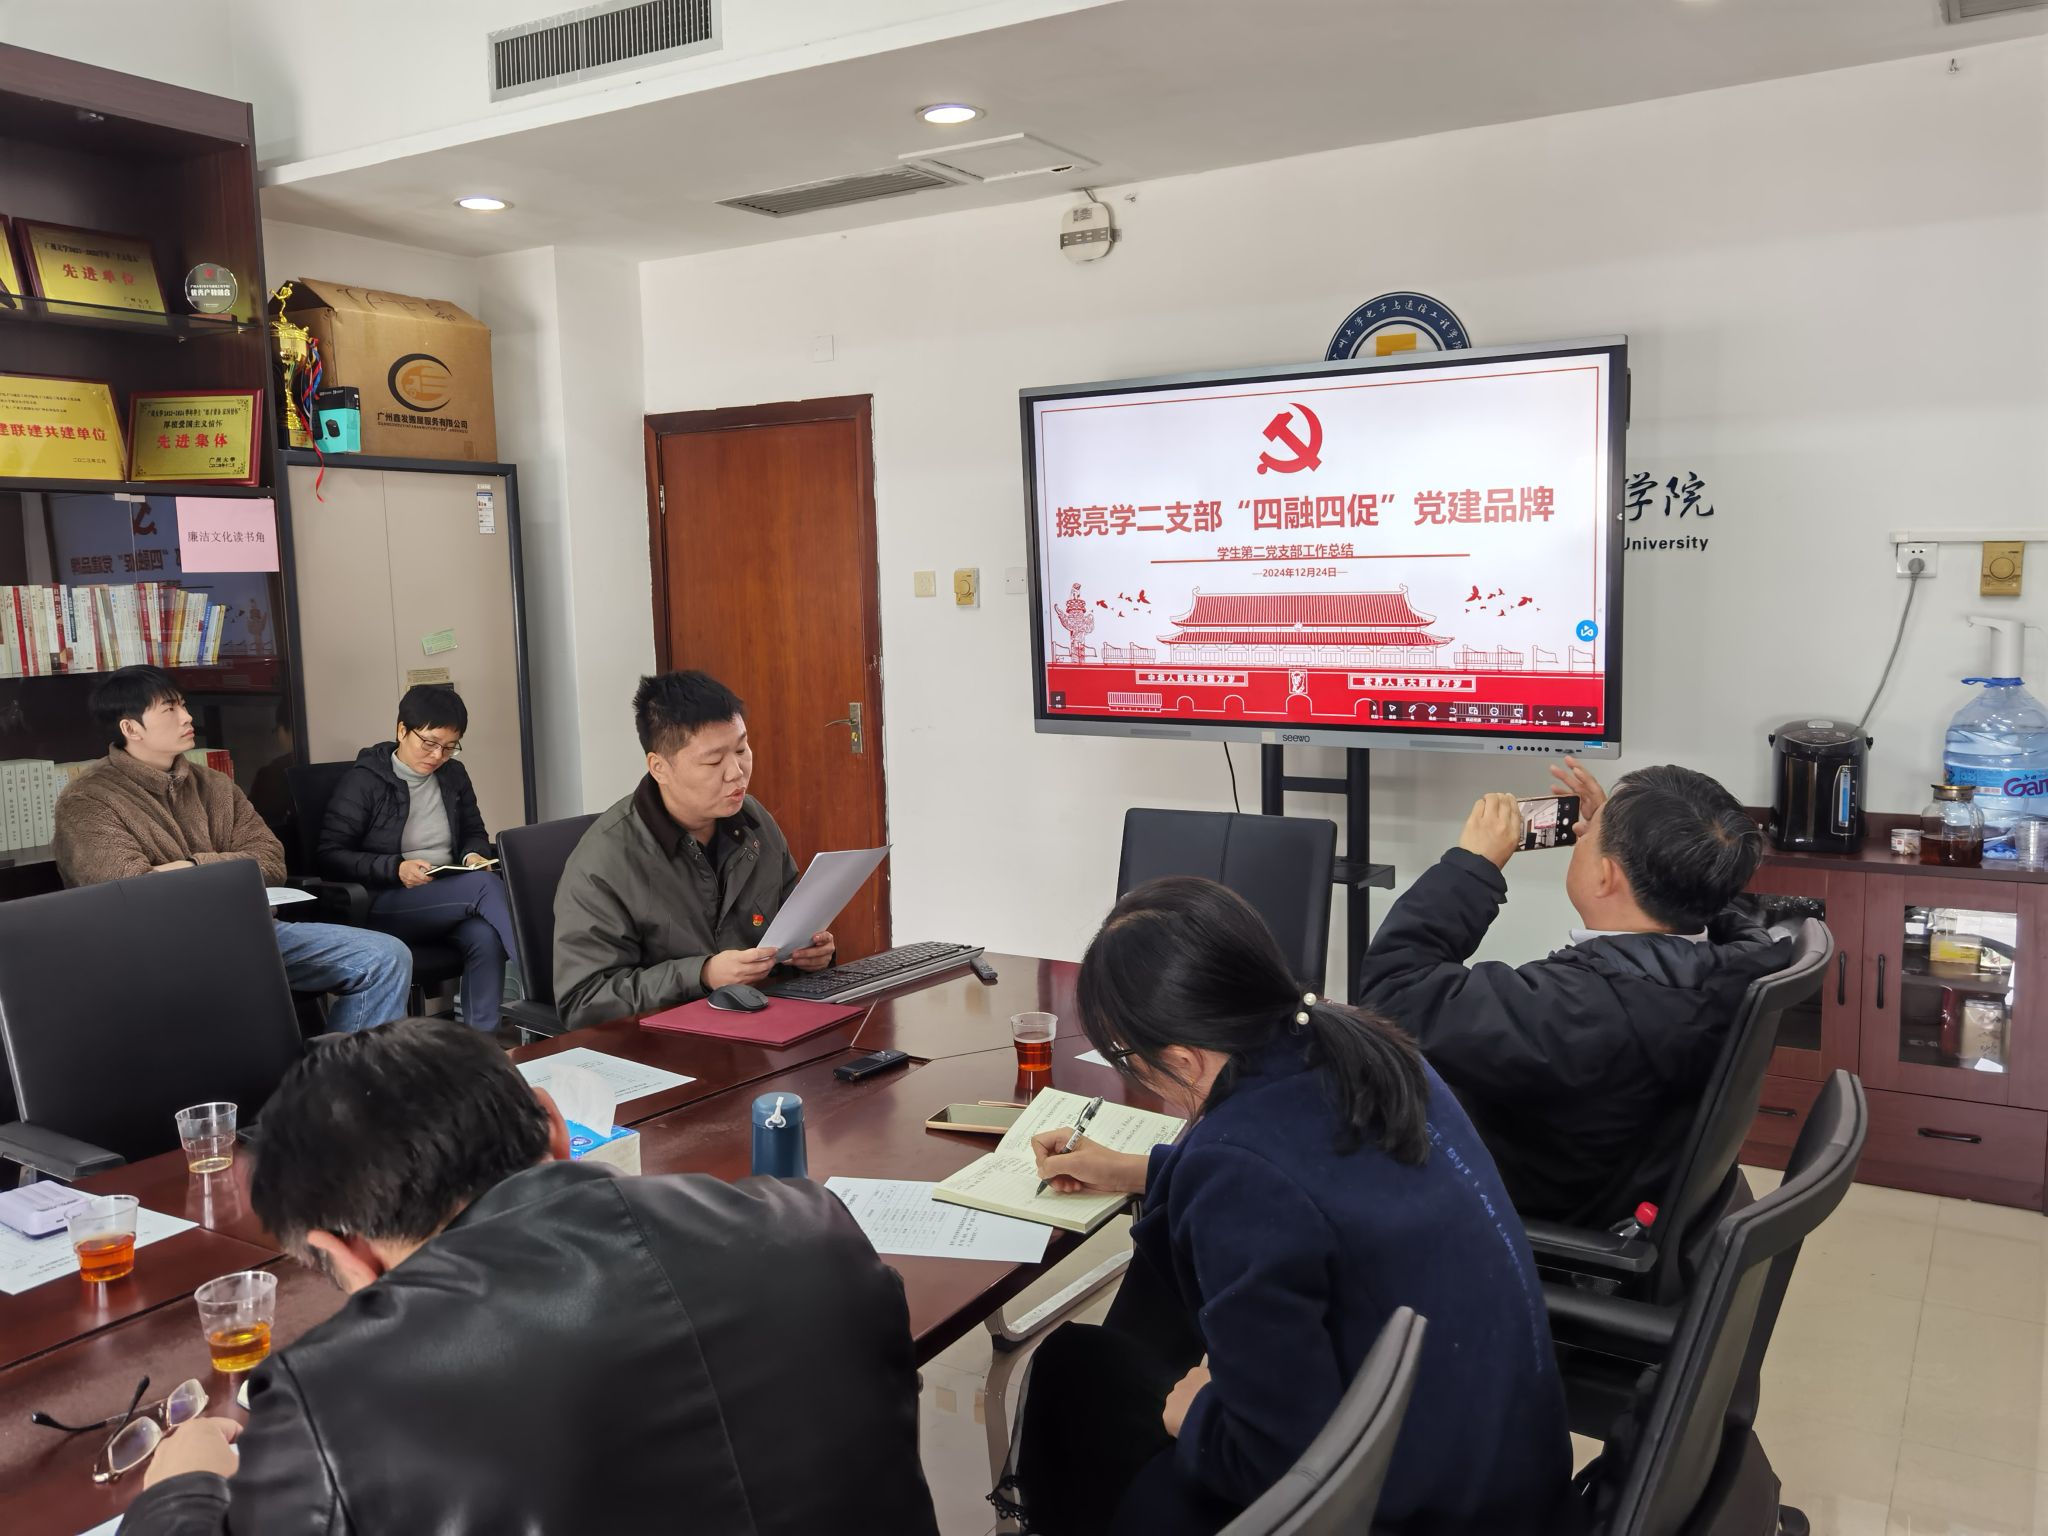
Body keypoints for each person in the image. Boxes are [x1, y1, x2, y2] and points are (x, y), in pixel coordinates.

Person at [119, 1018, 941, 1536]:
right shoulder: (810, 1227)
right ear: (554, 1124)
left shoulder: (337, 1399)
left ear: (346, 1252)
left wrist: (180, 1488)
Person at [1007, 877, 1572, 1536]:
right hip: (1504, 1464)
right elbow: (1314, 1181)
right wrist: (1132, 1169)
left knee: (1074, 1372)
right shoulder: (1360, 1044)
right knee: (1138, 1316)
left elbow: (1274, 1463)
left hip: (1405, 1507)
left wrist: (1198, 1414)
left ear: (1183, 1059)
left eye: (1128, 1058)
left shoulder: (1236, 1172)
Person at [1355, 759, 1792, 1227]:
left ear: (1606, 876)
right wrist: (1635, 844)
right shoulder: (1742, 962)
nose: (1580, 835)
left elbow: (1393, 990)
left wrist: (1473, 866)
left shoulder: (1575, 1007)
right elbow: (1697, 892)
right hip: (1625, 1190)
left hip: (1515, 1215)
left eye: (1589, 836)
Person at [52, 667, 411, 1034]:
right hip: (160, 952)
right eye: (170, 709)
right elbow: (128, 890)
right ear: (131, 728)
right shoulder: (88, 799)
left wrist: (189, 866)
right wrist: (227, 870)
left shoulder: (214, 784)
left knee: (385, 957)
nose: (187, 717)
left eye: (183, 705)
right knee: (236, 987)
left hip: (250, 932)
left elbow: (271, 860)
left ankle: (342, 1069)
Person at [553, 670, 835, 1030]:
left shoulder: (753, 821)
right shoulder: (604, 861)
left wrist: (812, 953)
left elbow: (791, 917)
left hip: (760, 1023)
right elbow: (584, 1002)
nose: (736, 772)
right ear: (659, 767)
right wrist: (702, 975)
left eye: (741, 749)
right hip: (665, 1043)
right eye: (714, 761)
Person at [317, 684, 518, 1032]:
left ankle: (479, 1047)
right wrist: (395, 868)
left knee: (483, 935)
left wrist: (473, 854)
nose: (438, 755)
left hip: (448, 894)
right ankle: (552, 983)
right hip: (385, 900)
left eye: (449, 747)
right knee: (485, 887)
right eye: (429, 743)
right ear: (402, 731)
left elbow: (473, 831)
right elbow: (330, 855)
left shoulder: (453, 775)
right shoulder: (365, 781)